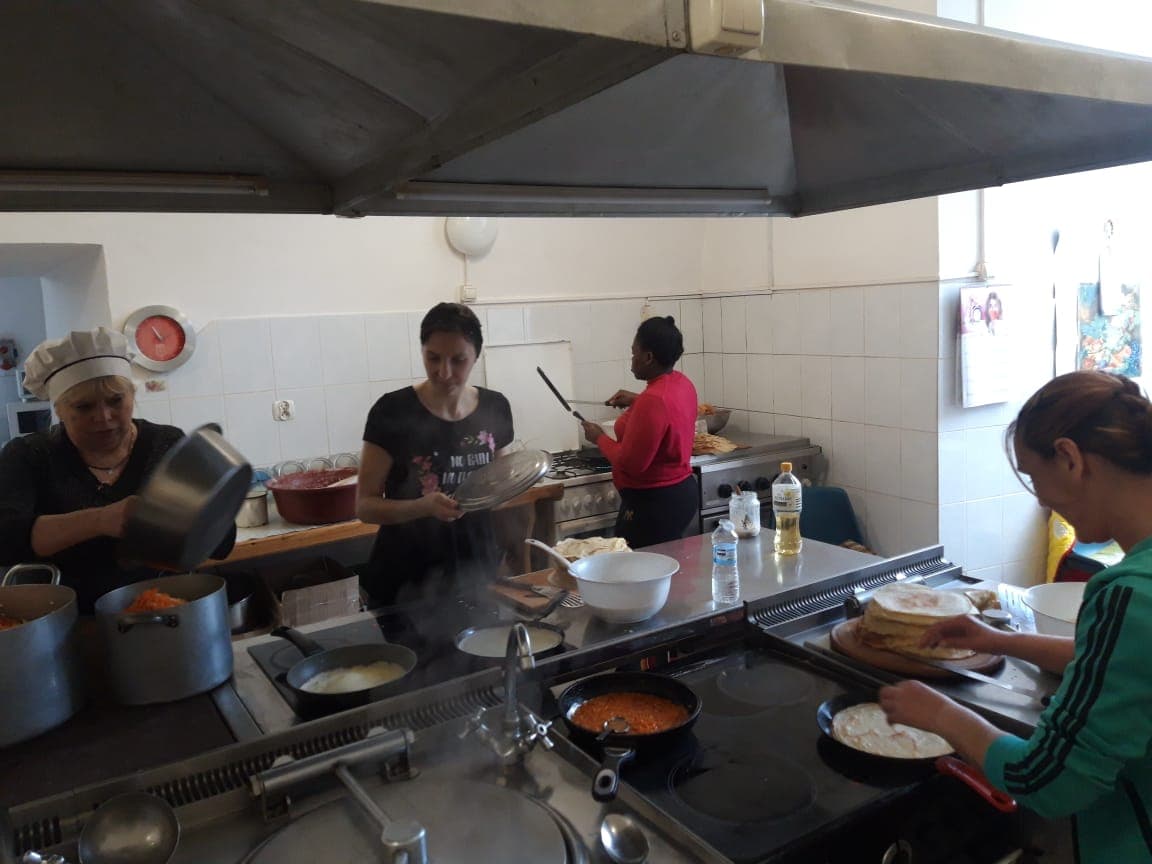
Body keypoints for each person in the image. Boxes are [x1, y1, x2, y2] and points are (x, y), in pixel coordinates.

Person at [879, 370, 1152, 863]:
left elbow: (1047, 780)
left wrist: (940, 714)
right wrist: (997, 640)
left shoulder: (1130, 593)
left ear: (1069, 458)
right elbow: (1121, 663)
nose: (1040, 498)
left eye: (1032, 476)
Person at [0, 327, 234, 613]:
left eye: (115, 401)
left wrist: (196, 517)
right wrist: (101, 519)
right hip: (66, 621)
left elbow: (222, 542)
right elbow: (6, 540)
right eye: (84, 407)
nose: (104, 417)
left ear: (132, 395)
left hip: (164, 611)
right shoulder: (30, 456)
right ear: (58, 409)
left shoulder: (166, 443)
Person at [357, 303, 514, 606]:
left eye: (458, 360)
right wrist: (423, 507)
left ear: (476, 356)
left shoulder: (495, 407)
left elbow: (502, 489)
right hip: (405, 583)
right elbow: (365, 506)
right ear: (422, 352)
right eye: (433, 358)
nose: (444, 372)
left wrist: (509, 551)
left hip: (477, 573)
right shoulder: (392, 411)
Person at [580, 316, 698, 548]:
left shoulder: (653, 400)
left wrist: (598, 438)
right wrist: (637, 399)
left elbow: (631, 464)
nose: (632, 360)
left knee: (637, 567)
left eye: (634, 353)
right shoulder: (682, 383)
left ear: (648, 357)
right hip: (680, 493)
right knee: (667, 564)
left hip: (653, 504)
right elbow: (668, 410)